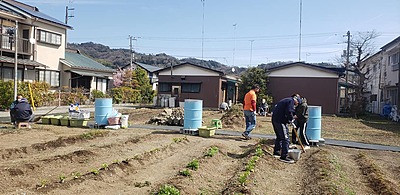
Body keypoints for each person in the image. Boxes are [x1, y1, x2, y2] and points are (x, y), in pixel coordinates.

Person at [272, 94, 301, 163]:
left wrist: (289, 120)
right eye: (297, 103)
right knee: (286, 138)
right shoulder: (291, 101)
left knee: (279, 137)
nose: (296, 104)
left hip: (275, 120)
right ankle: (284, 156)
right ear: (296, 100)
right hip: (280, 121)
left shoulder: (286, 100)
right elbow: (289, 111)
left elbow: (287, 111)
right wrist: (291, 120)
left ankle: (277, 151)